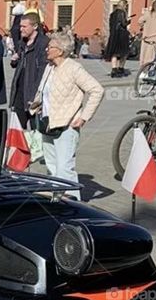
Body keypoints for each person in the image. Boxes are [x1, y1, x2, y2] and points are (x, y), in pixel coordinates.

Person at [28, 31, 104, 200]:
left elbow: (97, 90)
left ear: (60, 51)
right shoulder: (49, 67)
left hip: (67, 125)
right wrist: (36, 106)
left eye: (51, 46)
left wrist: (84, 117)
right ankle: (57, 199)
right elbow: (43, 92)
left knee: (64, 167)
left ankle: (73, 201)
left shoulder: (73, 68)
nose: (47, 48)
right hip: (47, 123)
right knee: (51, 166)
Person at [10, 13, 48, 130]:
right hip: (19, 93)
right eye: (20, 26)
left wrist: (36, 95)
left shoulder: (43, 43)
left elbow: (43, 71)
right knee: (17, 131)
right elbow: (21, 64)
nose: (21, 29)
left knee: (36, 132)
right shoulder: (23, 42)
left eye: (24, 26)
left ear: (35, 26)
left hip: (33, 95)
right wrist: (14, 60)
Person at [104, 0, 131, 78]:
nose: (126, 7)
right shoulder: (122, 13)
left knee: (114, 53)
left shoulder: (112, 14)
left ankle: (114, 69)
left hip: (113, 35)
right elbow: (123, 24)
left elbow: (110, 25)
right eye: (126, 5)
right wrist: (128, 21)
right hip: (122, 35)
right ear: (124, 5)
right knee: (124, 52)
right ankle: (121, 68)